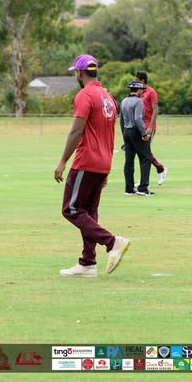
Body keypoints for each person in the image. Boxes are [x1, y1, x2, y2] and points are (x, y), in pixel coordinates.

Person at [54, 54, 130, 278]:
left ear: (79, 73)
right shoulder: (108, 97)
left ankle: (112, 242)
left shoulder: (85, 95)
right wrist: (106, 168)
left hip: (86, 161)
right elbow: (110, 134)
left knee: (71, 209)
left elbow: (77, 131)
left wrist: (62, 161)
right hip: (102, 161)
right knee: (89, 211)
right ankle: (87, 264)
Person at [120, 81, 154, 196]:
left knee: (129, 161)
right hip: (136, 131)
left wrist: (124, 135)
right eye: (141, 90)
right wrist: (144, 134)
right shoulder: (139, 101)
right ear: (139, 91)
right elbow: (138, 119)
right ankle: (143, 188)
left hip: (126, 131)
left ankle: (129, 189)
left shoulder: (124, 101)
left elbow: (121, 120)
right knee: (146, 158)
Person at [136, 71, 168, 185]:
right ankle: (160, 169)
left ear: (142, 80)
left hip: (149, 125)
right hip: (140, 126)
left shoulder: (151, 92)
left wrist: (150, 127)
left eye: (137, 80)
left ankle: (147, 178)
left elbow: (155, 110)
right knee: (142, 152)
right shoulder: (138, 92)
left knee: (144, 151)